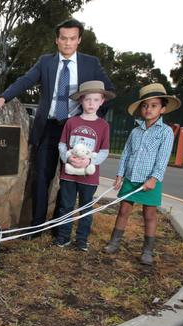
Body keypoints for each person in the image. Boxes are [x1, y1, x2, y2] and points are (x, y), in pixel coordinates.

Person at [0, 18, 114, 239]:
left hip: (75, 131)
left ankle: (58, 228)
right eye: (63, 38)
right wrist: (4, 98)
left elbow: (108, 91)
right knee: (41, 178)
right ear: (57, 40)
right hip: (48, 128)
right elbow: (25, 80)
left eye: (72, 38)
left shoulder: (90, 64)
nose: (67, 43)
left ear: (79, 40)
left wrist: (91, 118)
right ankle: (36, 227)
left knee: (68, 181)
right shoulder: (46, 62)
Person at [103, 83, 181, 265]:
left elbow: (162, 159)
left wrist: (153, 179)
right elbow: (126, 154)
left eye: (154, 105)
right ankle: (114, 242)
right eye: (145, 105)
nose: (148, 109)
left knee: (149, 215)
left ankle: (147, 250)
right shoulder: (135, 131)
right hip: (131, 178)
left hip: (150, 181)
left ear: (162, 109)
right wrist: (120, 175)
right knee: (123, 210)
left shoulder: (166, 132)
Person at [54, 80, 115, 251]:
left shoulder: (103, 125)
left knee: (86, 207)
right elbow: (62, 145)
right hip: (69, 174)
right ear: (81, 100)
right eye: (87, 99)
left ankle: (81, 239)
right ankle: (63, 237)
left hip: (89, 176)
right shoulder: (71, 122)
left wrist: (90, 161)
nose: (91, 103)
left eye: (96, 100)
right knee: (66, 206)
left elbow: (104, 151)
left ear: (102, 101)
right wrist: (68, 158)